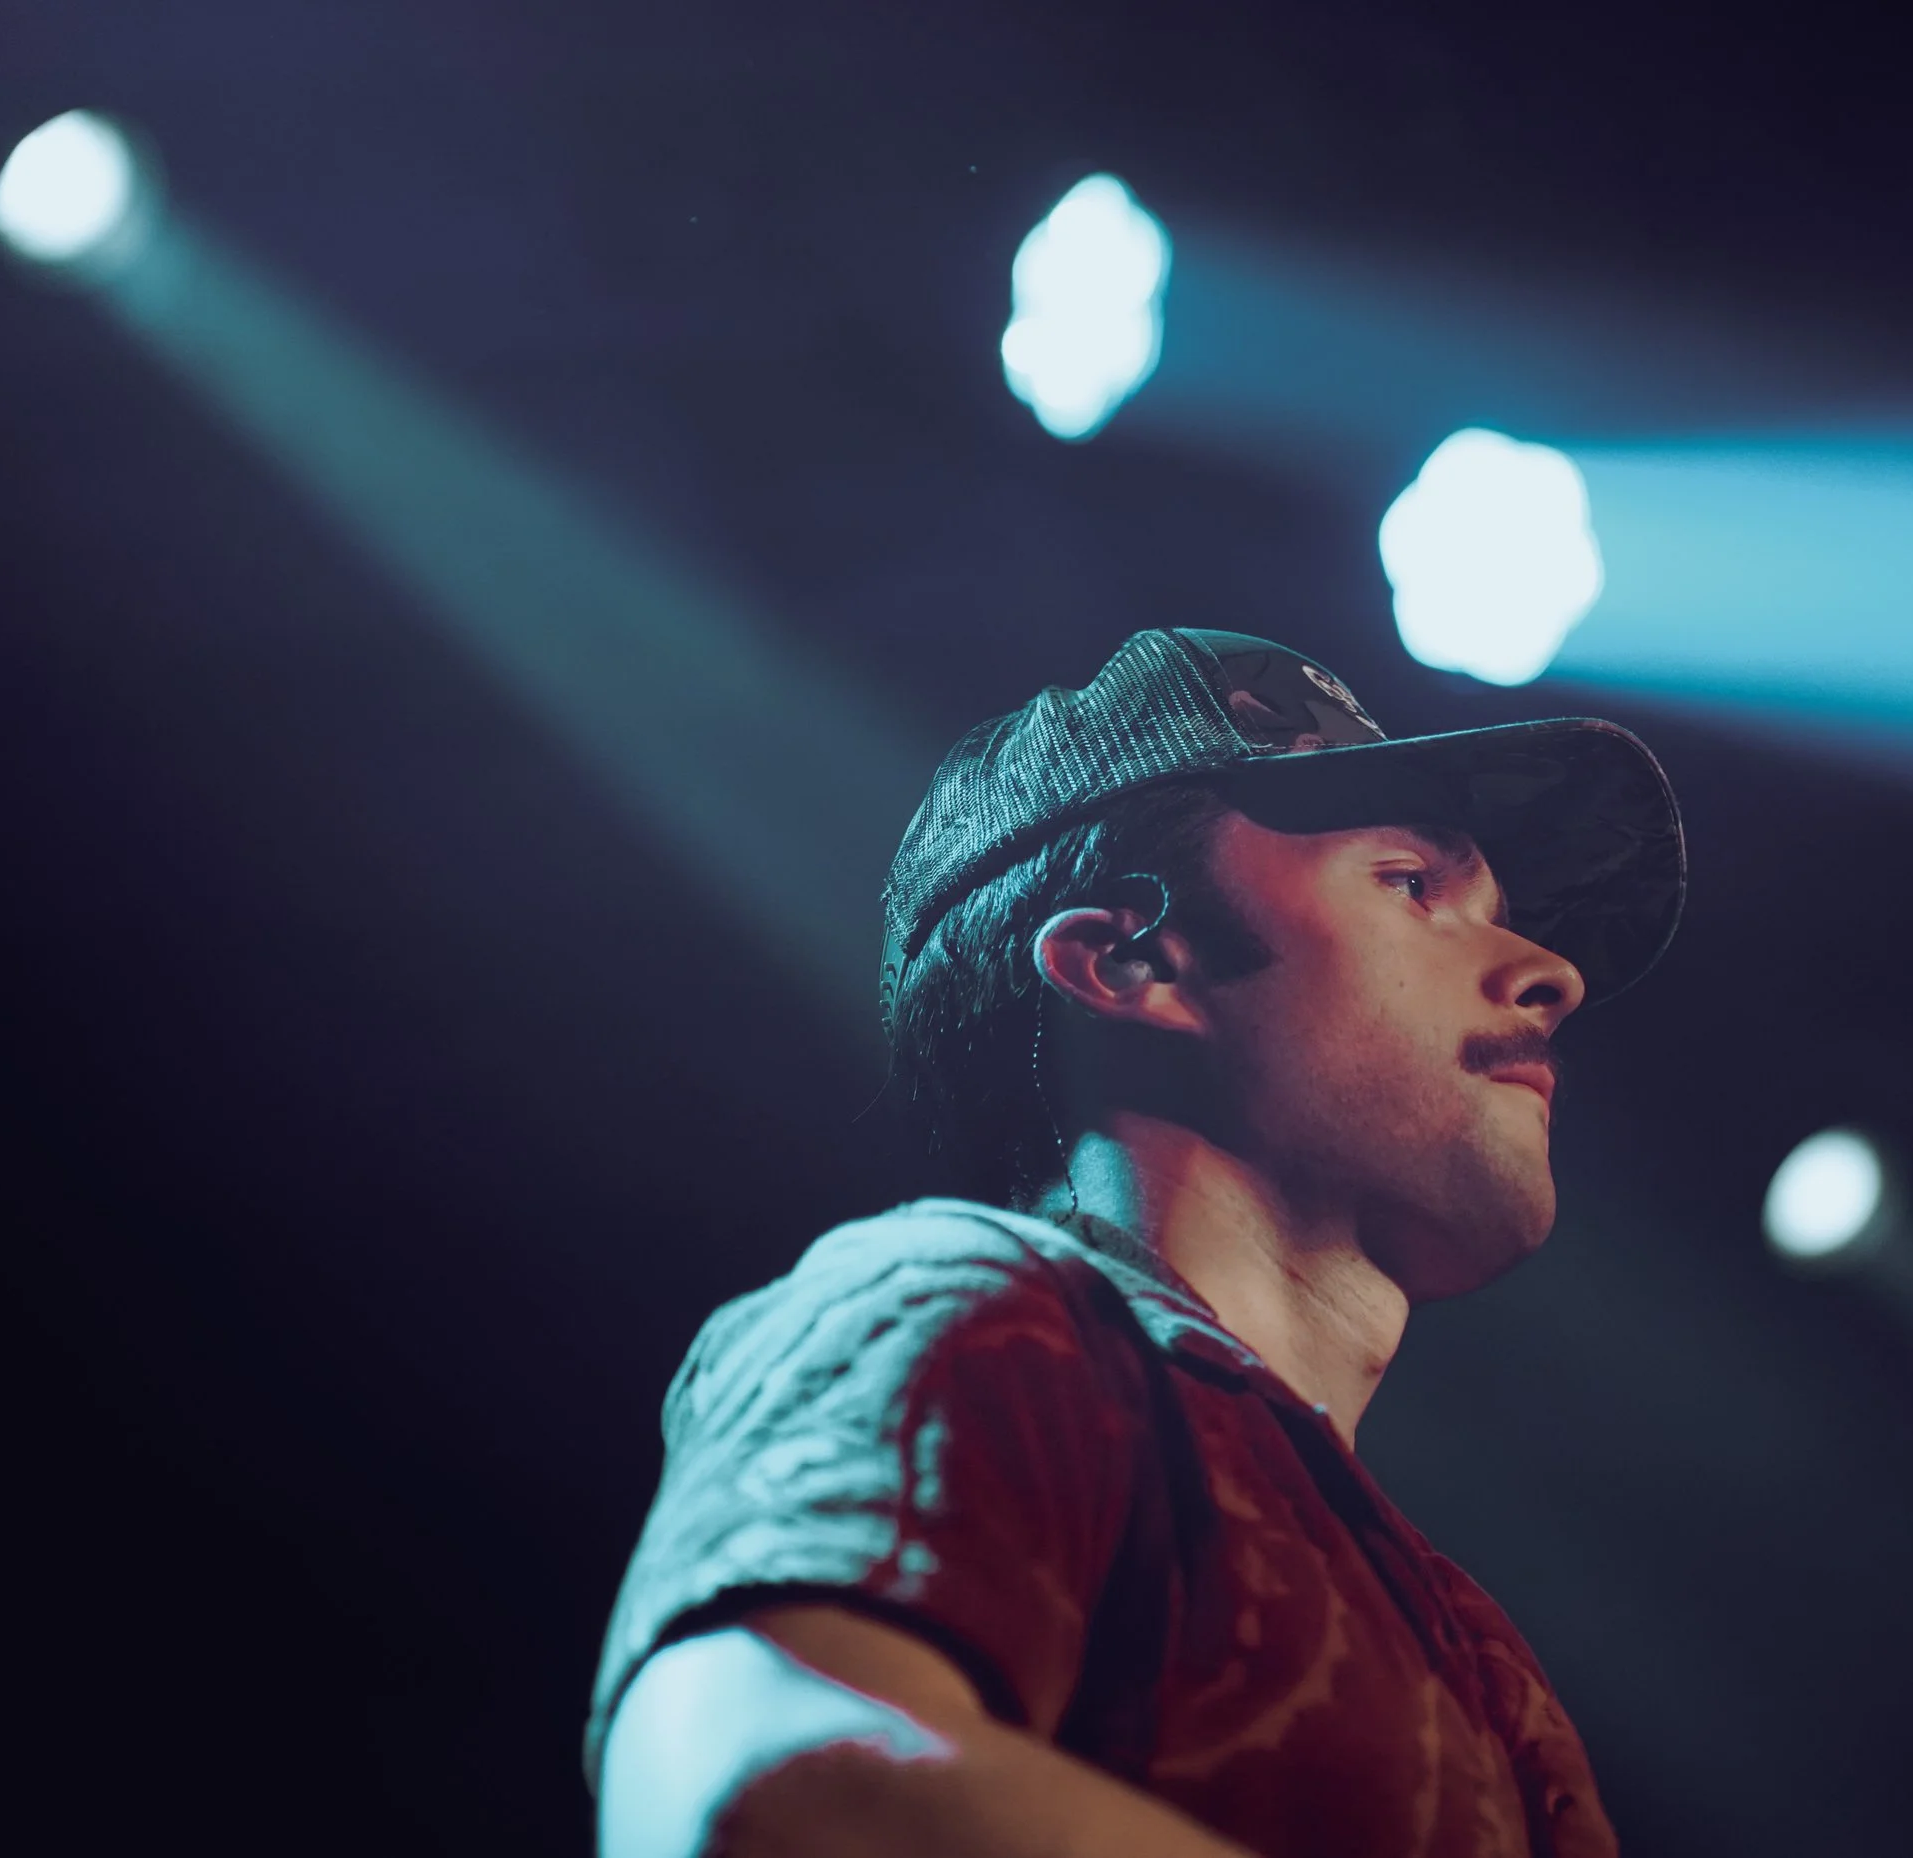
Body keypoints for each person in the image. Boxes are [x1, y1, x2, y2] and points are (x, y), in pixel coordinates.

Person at [588, 629, 1686, 1858]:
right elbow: (773, 1794)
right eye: (1410, 885)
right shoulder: (961, 1303)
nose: (1548, 971)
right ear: (1129, 961)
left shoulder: (1468, 1641)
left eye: (1495, 912)